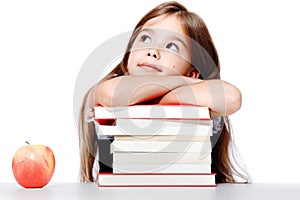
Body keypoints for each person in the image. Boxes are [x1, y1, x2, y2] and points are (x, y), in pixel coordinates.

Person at [78, 1, 250, 183]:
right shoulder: (102, 89)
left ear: (192, 70)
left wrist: (154, 96)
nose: (152, 51)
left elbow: (231, 97)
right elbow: (112, 94)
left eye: (171, 46)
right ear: (128, 57)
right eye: (145, 39)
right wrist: (184, 82)